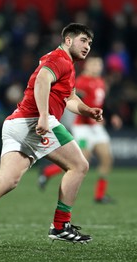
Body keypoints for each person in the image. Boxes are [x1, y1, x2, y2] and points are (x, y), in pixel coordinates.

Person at [0, 23, 103, 252]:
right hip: (36, 121)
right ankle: (60, 225)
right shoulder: (60, 58)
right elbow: (43, 80)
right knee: (79, 165)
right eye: (83, 40)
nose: (87, 46)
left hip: (15, 123)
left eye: (90, 43)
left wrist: (87, 110)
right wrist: (44, 116)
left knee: (8, 180)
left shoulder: (66, 66)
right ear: (68, 40)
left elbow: (69, 99)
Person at [38, 56, 122, 203]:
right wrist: (89, 116)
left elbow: (103, 103)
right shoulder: (82, 82)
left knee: (107, 159)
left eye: (99, 64)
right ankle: (48, 172)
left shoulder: (101, 82)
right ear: (87, 66)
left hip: (96, 127)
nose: (97, 67)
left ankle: (100, 196)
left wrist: (113, 115)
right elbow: (77, 102)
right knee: (81, 161)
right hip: (83, 128)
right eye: (94, 64)